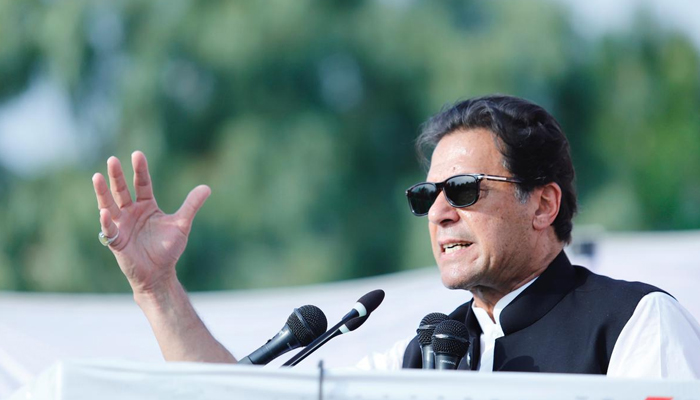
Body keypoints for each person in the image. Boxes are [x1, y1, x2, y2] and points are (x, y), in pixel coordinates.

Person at [92, 94, 700, 376]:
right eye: (425, 196)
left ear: (543, 204)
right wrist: (156, 287)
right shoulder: (419, 356)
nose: (438, 213)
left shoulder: (635, 323)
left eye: (462, 189)